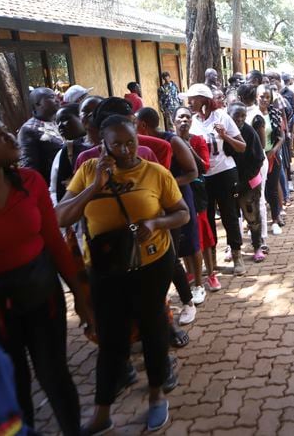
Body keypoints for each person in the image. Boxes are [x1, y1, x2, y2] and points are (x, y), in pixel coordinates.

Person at [56, 114, 189, 434]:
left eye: (131, 141)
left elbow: (182, 213)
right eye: (117, 144)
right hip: (105, 270)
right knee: (110, 339)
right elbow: (61, 216)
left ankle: (157, 397)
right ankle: (102, 413)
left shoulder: (155, 173)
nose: (127, 149)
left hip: (151, 266)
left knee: (154, 330)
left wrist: (156, 224)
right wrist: (93, 188)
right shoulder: (88, 171)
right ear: (104, 144)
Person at [0, 117, 93, 436]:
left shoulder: (31, 182)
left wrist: (81, 296)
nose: (10, 137)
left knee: (54, 375)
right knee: (14, 382)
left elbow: (55, 242)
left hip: (42, 296)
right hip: (0, 311)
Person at [135, 107, 202, 322]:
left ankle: (190, 297)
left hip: (177, 199)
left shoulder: (170, 142)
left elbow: (193, 173)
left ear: (143, 125)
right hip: (153, 204)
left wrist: (164, 185)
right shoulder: (134, 145)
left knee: (180, 248)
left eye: (133, 123)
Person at [185, 83, 247, 279]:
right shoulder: (191, 122)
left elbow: (242, 147)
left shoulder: (222, 116)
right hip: (202, 178)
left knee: (229, 215)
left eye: (193, 98)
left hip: (225, 173)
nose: (189, 102)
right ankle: (211, 260)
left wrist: (225, 136)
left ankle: (237, 255)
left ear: (204, 99)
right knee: (206, 218)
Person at [174, 107, 215, 290]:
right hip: (177, 193)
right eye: (180, 117)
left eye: (187, 117)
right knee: (183, 234)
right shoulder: (169, 141)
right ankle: (190, 272)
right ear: (173, 120)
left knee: (202, 234)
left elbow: (204, 166)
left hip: (197, 193)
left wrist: (188, 145)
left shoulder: (198, 140)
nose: (184, 120)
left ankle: (211, 274)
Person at [227, 102, 266, 261]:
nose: (240, 119)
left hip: (248, 182)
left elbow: (258, 159)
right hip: (229, 182)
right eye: (237, 116)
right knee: (230, 217)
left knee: (252, 216)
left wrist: (245, 180)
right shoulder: (224, 132)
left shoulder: (248, 132)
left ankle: (257, 246)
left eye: (243, 115)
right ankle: (233, 247)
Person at [256, 85, 286, 237]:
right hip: (255, 158)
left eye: (267, 97)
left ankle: (275, 219)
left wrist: (273, 150)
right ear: (256, 97)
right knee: (256, 193)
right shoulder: (252, 115)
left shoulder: (274, 113)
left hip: (272, 156)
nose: (265, 100)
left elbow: (281, 137)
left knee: (272, 189)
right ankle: (257, 224)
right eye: (262, 96)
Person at [18, 87, 63, 185]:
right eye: (51, 97)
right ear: (38, 104)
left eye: (56, 96)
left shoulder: (59, 123)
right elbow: (29, 167)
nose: (57, 99)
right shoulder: (29, 129)